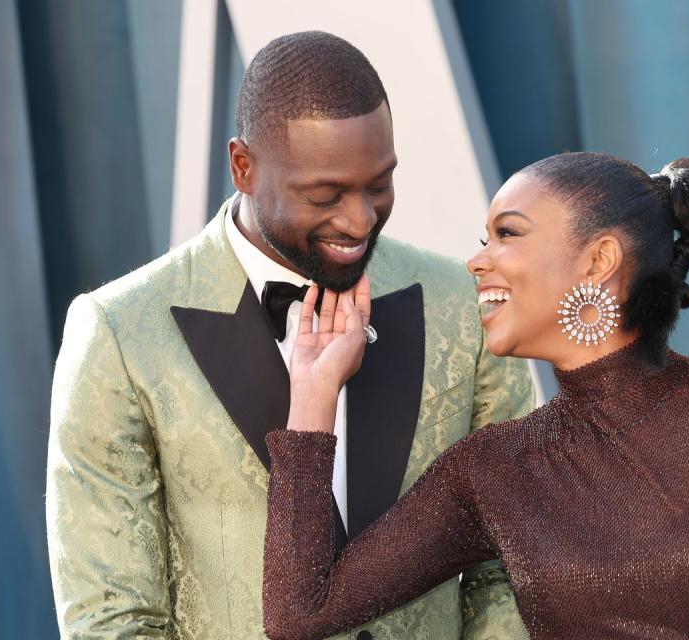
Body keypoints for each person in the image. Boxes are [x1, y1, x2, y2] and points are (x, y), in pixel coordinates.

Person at [262, 153, 689, 639]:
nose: (476, 262)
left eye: (506, 234)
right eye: (484, 239)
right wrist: (313, 395)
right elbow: (300, 611)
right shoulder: (491, 470)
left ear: (597, 260)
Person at [46, 31, 533, 639]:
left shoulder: (465, 306)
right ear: (243, 167)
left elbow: (510, 564)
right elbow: (111, 617)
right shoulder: (119, 334)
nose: (360, 221)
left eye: (378, 184)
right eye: (324, 195)